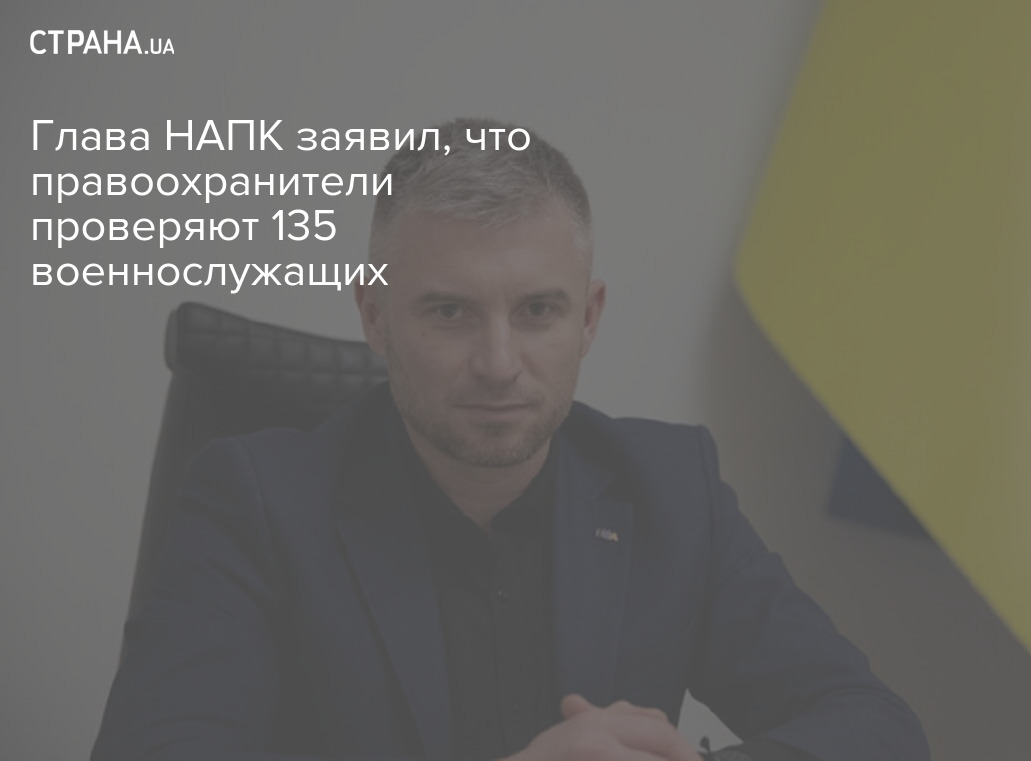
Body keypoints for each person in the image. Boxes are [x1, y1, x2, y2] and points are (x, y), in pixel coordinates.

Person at [92, 118, 929, 761]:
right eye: (449, 311)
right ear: (375, 316)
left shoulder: (672, 491)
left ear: (588, 318)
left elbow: (877, 729)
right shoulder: (254, 504)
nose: (499, 363)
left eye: (537, 311)